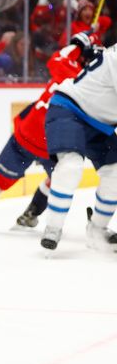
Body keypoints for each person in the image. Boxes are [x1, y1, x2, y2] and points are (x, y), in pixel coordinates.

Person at [0, 32, 94, 229]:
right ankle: (30, 214)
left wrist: (77, 44)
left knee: (0, 178)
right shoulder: (89, 84)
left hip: (27, 132)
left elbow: (57, 58)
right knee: (59, 179)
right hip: (52, 142)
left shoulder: (67, 69)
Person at [41, 37, 117, 251]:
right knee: (71, 164)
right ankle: (53, 228)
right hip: (69, 108)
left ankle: (98, 231)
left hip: (101, 124)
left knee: (115, 172)